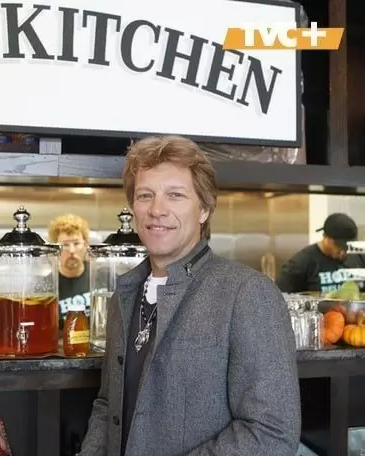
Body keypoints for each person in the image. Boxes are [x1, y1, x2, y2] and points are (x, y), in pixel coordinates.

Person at [79, 135, 300, 456]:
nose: (157, 210)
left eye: (175, 195)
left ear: (204, 209)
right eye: (145, 195)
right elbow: (107, 405)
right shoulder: (124, 295)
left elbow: (272, 433)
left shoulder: (247, 293)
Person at [276, 213, 364, 294]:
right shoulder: (301, 263)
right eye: (338, 245)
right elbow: (277, 297)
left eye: (347, 246)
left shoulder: (359, 257)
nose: (343, 251)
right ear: (325, 237)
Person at [48, 214, 91, 329]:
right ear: (56, 249)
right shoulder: (49, 285)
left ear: (85, 245)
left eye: (76, 243)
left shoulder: (99, 277)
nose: (72, 250)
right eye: (65, 245)